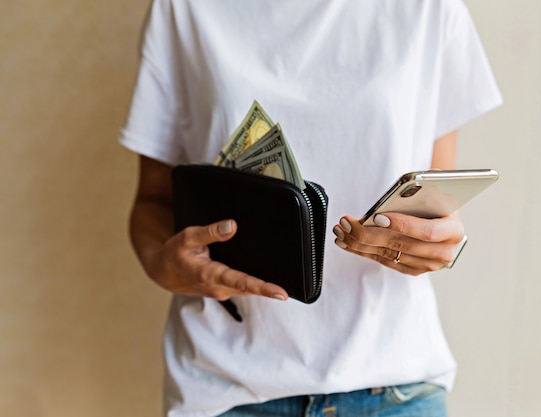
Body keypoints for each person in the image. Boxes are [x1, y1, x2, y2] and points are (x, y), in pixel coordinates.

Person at [120, 0, 502, 415]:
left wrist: (441, 244)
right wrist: (164, 265)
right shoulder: (182, 9)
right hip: (226, 387)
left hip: (393, 384)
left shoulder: (429, 9)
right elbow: (152, 203)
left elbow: (436, 205)